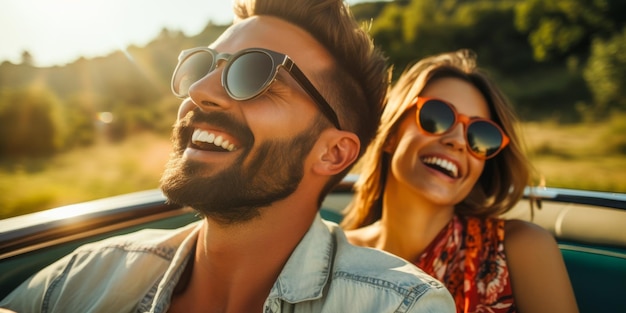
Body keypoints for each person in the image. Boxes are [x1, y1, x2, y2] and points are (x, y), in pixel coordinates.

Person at [0, 0, 457, 312]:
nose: (199, 92)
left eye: (256, 74)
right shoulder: (88, 275)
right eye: (203, 66)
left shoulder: (400, 304)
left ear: (333, 152)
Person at [341, 49, 579, 313]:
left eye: (481, 135)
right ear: (391, 134)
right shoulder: (330, 254)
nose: (457, 140)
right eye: (438, 116)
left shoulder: (521, 249)